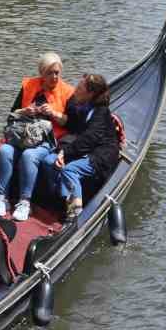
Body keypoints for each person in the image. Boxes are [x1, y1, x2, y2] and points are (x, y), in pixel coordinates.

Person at [0, 52, 74, 222]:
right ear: (41, 74)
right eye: (50, 73)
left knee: (29, 156)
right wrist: (25, 111)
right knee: (5, 151)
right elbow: (11, 114)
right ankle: (2, 199)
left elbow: (71, 123)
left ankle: (25, 202)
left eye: (57, 73)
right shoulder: (29, 85)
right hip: (22, 136)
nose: (54, 77)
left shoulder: (67, 92)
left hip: (47, 140)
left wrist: (53, 113)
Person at [53, 74, 118, 223]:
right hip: (91, 151)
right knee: (54, 164)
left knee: (69, 170)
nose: (75, 89)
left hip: (103, 157)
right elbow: (72, 113)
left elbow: (88, 140)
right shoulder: (87, 108)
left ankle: (75, 216)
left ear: (91, 94)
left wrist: (65, 152)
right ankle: (65, 204)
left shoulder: (100, 113)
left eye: (80, 87)